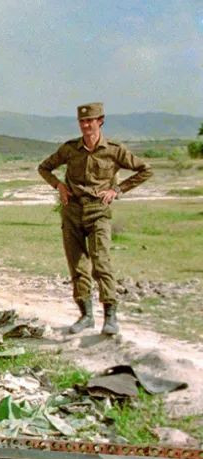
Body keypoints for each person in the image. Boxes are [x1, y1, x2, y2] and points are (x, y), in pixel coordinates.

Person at [38, 103, 152, 336]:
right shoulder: (70, 149)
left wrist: (117, 190)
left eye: (90, 121)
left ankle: (110, 317)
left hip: (98, 211)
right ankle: (86, 316)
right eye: (82, 121)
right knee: (77, 265)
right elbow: (44, 168)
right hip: (72, 211)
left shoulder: (114, 150)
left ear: (100, 121)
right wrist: (59, 185)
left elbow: (145, 170)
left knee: (101, 263)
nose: (85, 125)